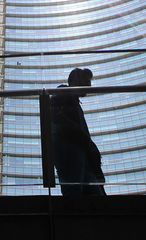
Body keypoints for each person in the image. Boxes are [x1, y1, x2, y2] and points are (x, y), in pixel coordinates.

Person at [50, 67, 106, 196]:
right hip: (69, 147)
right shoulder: (64, 92)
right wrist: (82, 138)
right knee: (74, 192)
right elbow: (55, 115)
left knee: (92, 193)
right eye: (86, 81)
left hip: (79, 149)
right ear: (76, 79)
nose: (89, 85)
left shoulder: (73, 100)